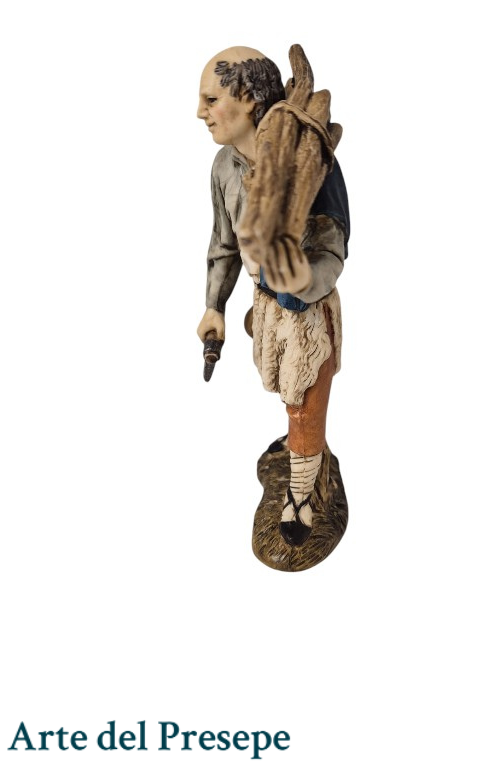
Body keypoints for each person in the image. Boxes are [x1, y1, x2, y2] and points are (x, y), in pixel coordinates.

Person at [196, 46, 349, 546]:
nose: (200, 112)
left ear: (248, 98)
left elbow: (333, 249)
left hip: (306, 313)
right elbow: (225, 243)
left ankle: (302, 493)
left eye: (211, 100)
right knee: (284, 389)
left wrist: (301, 277)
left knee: (306, 398)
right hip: (266, 308)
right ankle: (302, 447)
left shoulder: (312, 158)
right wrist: (215, 306)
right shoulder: (225, 168)